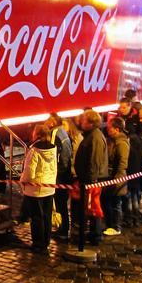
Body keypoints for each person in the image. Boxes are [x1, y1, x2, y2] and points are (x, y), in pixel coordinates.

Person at [73, 109, 108, 245]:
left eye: (84, 120)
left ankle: (96, 235)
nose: (81, 122)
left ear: (91, 123)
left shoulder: (96, 138)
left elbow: (95, 161)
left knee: (94, 207)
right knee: (89, 207)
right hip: (88, 179)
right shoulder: (90, 136)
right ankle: (92, 233)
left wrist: (91, 181)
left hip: (93, 180)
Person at [20, 124, 57, 254]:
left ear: (37, 134)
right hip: (49, 187)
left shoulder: (34, 151)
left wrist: (23, 181)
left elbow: (29, 171)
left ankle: (38, 243)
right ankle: (46, 240)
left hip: (35, 189)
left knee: (36, 217)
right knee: (47, 215)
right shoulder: (53, 148)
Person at [45, 113, 73, 241]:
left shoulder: (55, 134)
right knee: (62, 203)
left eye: (48, 120)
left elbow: (52, 154)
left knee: (60, 203)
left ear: (52, 122)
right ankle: (63, 228)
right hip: (64, 173)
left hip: (59, 175)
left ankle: (63, 230)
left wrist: (53, 174)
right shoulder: (63, 132)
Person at [102, 116, 128, 236]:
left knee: (116, 203)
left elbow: (122, 163)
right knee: (108, 201)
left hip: (116, 178)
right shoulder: (112, 141)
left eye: (110, 128)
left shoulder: (121, 143)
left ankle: (116, 226)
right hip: (110, 177)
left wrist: (116, 180)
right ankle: (110, 223)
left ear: (117, 129)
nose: (108, 130)